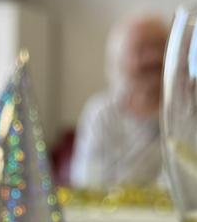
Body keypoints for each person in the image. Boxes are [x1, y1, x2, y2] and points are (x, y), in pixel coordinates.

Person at [70, 13, 169, 189]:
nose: (154, 57)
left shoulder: (188, 113)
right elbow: (87, 182)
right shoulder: (101, 113)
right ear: (120, 60)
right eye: (141, 50)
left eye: (160, 46)